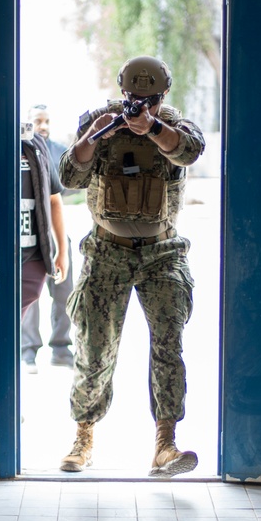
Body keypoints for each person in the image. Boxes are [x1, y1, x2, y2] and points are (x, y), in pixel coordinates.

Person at [57, 56, 206, 477]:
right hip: (107, 252)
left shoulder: (176, 125)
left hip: (162, 254)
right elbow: (68, 176)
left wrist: (154, 129)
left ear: (163, 97)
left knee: (168, 344)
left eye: (150, 101)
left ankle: (165, 443)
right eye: (134, 99)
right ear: (124, 93)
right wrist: (94, 134)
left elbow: (190, 151)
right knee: (95, 347)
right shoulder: (100, 123)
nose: (141, 107)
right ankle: (83, 437)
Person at [21, 104, 75, 372]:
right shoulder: (21, 146)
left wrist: (61, 249)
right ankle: (28, 351)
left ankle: (61, 348)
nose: (43, 125)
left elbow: (56, 200)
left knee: (64, 292)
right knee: (30, 297)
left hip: (53, 233)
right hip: (27, 239)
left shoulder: (55, 150)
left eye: (47, 121)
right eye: (38, 120)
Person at [20, 121, 69, 328]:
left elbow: (54, 200)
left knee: (11, 330)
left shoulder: (36, 145)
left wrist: (62, 252)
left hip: (32, 261)